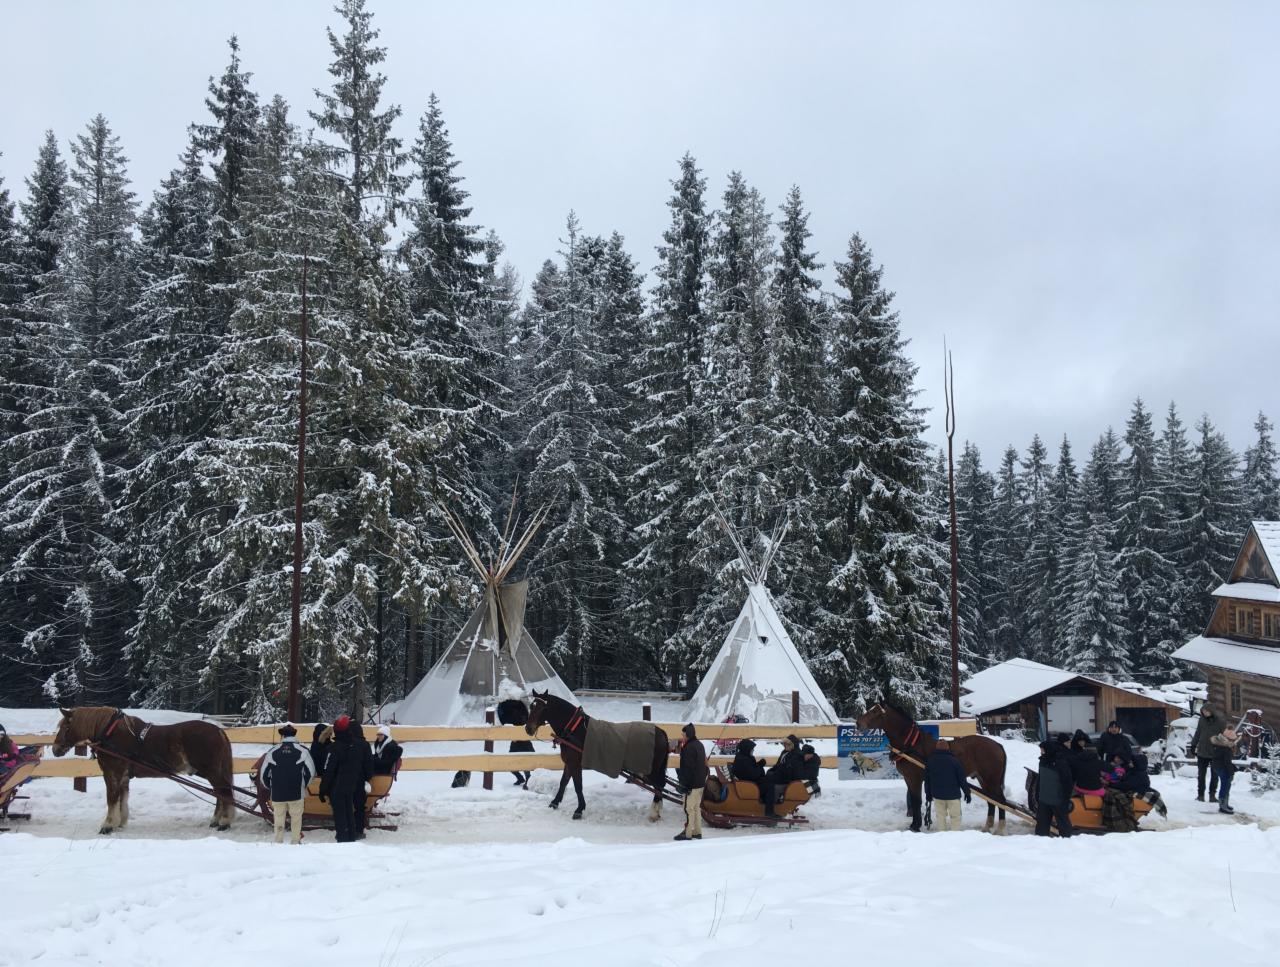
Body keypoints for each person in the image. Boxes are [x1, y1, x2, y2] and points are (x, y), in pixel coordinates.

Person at [261, 723, 316, 844]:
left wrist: (271, 787)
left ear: (282, 736)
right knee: (296, 819)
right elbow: (311, 772)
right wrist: (303, 786)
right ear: (294, 735)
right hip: (296, 792)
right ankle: (295, 842)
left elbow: (264, 775)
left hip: (277, 793)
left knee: (278, 819)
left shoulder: (272, 751)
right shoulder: (303, 751)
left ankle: (278, 842)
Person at [318, 715, 364, 842]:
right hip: (350, 786)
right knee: (349, 812)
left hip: (336, 788)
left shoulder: (334, 748)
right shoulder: (355, 746)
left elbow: (328, 770)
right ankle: (351, 838)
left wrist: (323, 789)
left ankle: (343, 841)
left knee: (340, 816)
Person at [923, 738, 970, 831]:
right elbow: (962, 779)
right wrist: (967, 792)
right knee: (955, 817)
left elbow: (927, 780)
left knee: (940, 817)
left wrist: (928, 794)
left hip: (938, 796)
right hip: (953, 796)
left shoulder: (930, 761)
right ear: (947, 748)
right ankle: (955, 836)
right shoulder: (955, 761)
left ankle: (942, 836)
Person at [674, 723, 708, 841]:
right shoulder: (700, 745)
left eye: (683, 735)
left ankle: (687, 833)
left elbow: (687, 769)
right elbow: (704, 765)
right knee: (696, 808)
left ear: (688, 735)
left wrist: (685, 785)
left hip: (692, 785)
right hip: (700, 783)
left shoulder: (688, 748)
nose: (682, 737)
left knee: (688, 809)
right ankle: (697, 832)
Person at [1033, 740, 1075, 837]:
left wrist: (1065, 799)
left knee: (1064, 827)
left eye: (1042, 750)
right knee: (1041, 829)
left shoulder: (1061, 763)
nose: (1041, 752)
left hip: (1058, 800)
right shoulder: (1042, 761)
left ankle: (1067, 846)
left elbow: (1067, 783)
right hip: (1044, 800)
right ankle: (1041, 846)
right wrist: (1037, 792)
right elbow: (1041, 778)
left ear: (1048, 750)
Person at [1190, 704, 1226, 802]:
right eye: (1203, 711)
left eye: (1206, 711)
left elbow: (1224, 736)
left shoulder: (1220, 722)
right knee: (1201, 775)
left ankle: (1212, 795)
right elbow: (1198, 732)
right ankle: (1200, 795)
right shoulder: (1202, 720)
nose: (1205, 713)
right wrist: (1193, 745)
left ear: (1211, 711)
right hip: (1202, 751)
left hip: (1215, 752)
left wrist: (1223, 748)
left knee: (1214, 775)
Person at [731, 738, 775, 816]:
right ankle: (769, 812)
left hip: (748, 783)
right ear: (747, 749)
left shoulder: (743, 757)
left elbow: (751, 770)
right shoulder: (744, 759)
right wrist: (760, 765)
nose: (753, 750)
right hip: (748, 787)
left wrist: (758, 764)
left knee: (769, 779)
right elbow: (753, 774)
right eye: (752, 749)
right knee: (770, 786)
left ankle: (764, 804)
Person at [1117, 749, 1167, 818]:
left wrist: (1112, 784)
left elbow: (1126, 785)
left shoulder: (1137, 774)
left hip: (1136, 791)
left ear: (1136, 763)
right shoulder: (1137, 771)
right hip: (1135, 788)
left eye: (1132, 762)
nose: (1130, 763)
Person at [496, 698, 534, 787]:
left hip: (524, 743)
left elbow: (525, 724)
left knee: (526, 763)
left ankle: (528, 780)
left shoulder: (522, 714)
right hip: (515, 743)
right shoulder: (511, 714)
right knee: (510, 762)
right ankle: (520, 778)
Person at [350, 722, 374, 839]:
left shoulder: (345, 743)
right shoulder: (365, 745)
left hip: (345, 780)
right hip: (360, 780)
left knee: (347, 805)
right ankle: (359, 830)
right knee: (359, 806)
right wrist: (368, 777)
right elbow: (369, 764)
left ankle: (347, 828)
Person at [1210, 726, 1240, 815]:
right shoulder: (1225, 747)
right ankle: (1223, 806)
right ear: (1228, 739)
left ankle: (1225, 804)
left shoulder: (1220, 744)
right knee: (1225, 785)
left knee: (1226, 785)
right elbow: (1227, 762)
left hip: (1218, 766)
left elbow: (1225, 760)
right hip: (1222, 768)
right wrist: (1231, 771)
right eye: (1232, 740)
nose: (1233, 742)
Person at [1068, 730, 1105, 796]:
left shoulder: (1091, 750)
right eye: (1080, 741)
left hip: (1091, 781)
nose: (1082, 743)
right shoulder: (1073, 752)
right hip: (1078, 780)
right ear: (1076, 742)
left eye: (1083, 741)